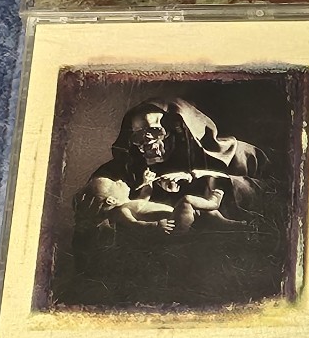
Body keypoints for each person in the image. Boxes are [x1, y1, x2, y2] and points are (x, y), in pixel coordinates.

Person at [68, 97, 270, 307]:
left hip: (216, 268)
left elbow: (269, 191)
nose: (146, 142)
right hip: (162, 267)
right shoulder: (126, 168)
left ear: (178, 129)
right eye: (137, 136)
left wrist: (198, 177)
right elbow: (98, 209)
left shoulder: (237, 154)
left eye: (154, 132)